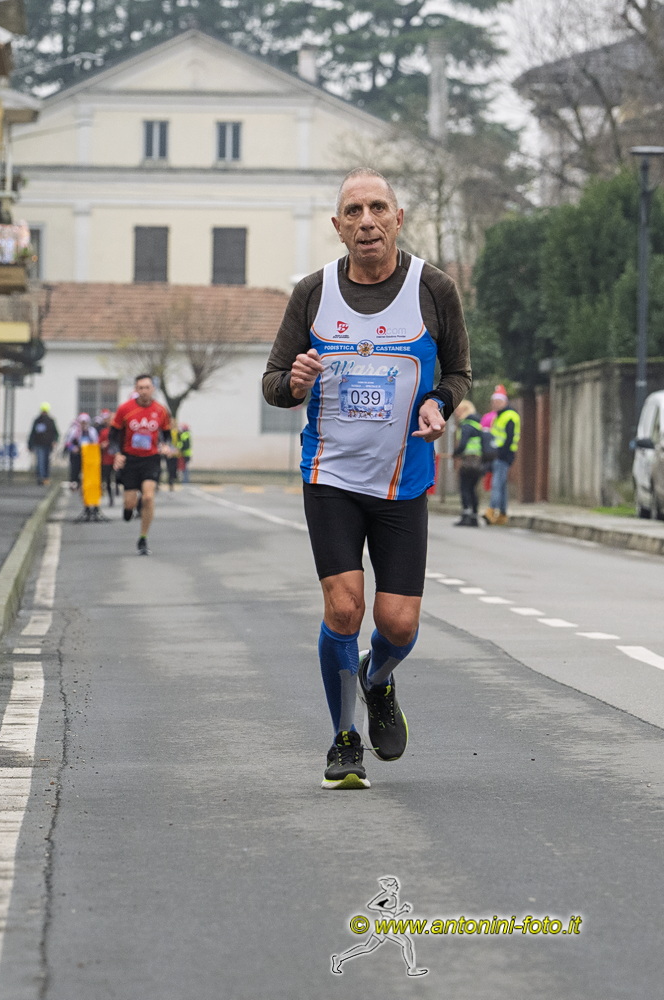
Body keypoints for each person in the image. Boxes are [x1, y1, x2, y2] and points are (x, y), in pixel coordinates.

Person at [262, 167, 471, 790]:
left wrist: (439, 403)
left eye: (378, 208)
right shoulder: (312, 293)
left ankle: (377, 680)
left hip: (403, 479)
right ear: (338, 226)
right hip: (330, 475)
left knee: (399, 624)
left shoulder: (434, 289)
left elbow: (459, 373)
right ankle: (343, 739)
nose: (367, 221)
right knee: (344, 607)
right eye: (353, 212)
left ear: (398, 219)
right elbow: (274, 383)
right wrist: (294, 382)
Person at [109, 374, 173, 556]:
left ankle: (143, 538)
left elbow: (167, 434)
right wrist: (117, 454)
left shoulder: (161, 410)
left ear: (153, 389)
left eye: (147, 387)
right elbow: (113, 436)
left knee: (148, 497)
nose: (144, 391)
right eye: (140, 388)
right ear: (136, 390)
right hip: (130, 459)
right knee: (130, 502)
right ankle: (129, 508)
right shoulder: (125, 409)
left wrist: (166, 445)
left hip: (151, 459)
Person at [482, 386, 520, 527]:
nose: (495, 404)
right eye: (493, 402)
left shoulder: (510, 416)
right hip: (498, 454)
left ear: (505, 402)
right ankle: (502, 514)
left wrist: (501, 453)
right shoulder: (499, 416)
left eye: (498, 401)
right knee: (502, 485)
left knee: (496, 483)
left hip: (503, 455)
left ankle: (492, 511)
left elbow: (509, 437)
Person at [451, 400, 487, 527]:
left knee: (465, 487)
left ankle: (466, 515)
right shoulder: (478, 425)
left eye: (458, 410)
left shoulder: (466, 425)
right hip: (478, 462)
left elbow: (463, 444)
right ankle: (474, 516)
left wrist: (455, 453)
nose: (456, 413)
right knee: (473, 489)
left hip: (468, 461)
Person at [62, 413, 96, 491]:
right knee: (75, 470)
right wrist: (73, 448)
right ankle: (74, 484)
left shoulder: (91, 431)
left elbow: (95, 442)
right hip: (76, 454)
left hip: (87, 454)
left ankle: (86, 485)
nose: (83, 424)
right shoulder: (74, 431)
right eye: (82, 422)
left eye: (85, 422)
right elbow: (67, 442)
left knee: (87, 471)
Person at [27, 403, 58, 485]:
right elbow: (33, 433)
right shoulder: (37, 421)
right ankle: (41, 477)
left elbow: (55, 433)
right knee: (40, 461)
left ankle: (45, 477)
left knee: (46, 462)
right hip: (39, 444)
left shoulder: (51, 421)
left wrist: (54, 440)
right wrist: (30, 444)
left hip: (48, 445)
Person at [96, 408, 117, 505]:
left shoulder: (118, 431)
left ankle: (117, 491)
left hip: (116, 459)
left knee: (118, 477)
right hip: (106, 459)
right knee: (107, 479)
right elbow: (98, 444)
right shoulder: (104, 431)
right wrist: (102, 445)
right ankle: (110, 498)